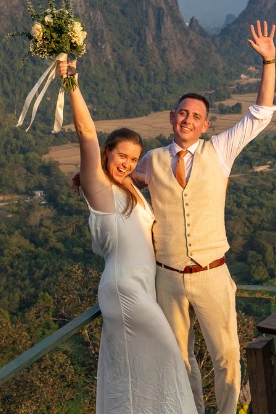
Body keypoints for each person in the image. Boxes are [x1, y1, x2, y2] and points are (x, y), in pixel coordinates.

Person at [134, 22, 276, 414]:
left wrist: (269, 61)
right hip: (167, 275)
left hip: (212, 273)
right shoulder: (152, 160)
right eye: (182, 113)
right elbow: (117, 181)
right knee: (178, 360)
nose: (187, 119)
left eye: (195, 116)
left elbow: (260, 114)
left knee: (227, 357)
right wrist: (86, 173)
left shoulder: (220, 151)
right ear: (171, 117)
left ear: (205, 125)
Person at [59, 56, 196, 414]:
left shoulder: (128, 187)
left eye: (133, 159)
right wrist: (71, 83)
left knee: (142, 374)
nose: (127, 164)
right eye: (121, 155)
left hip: (143, 287)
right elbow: (86, 133)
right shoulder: (100, 188)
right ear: (107, 153)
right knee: (168, 355)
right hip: (124, 290)